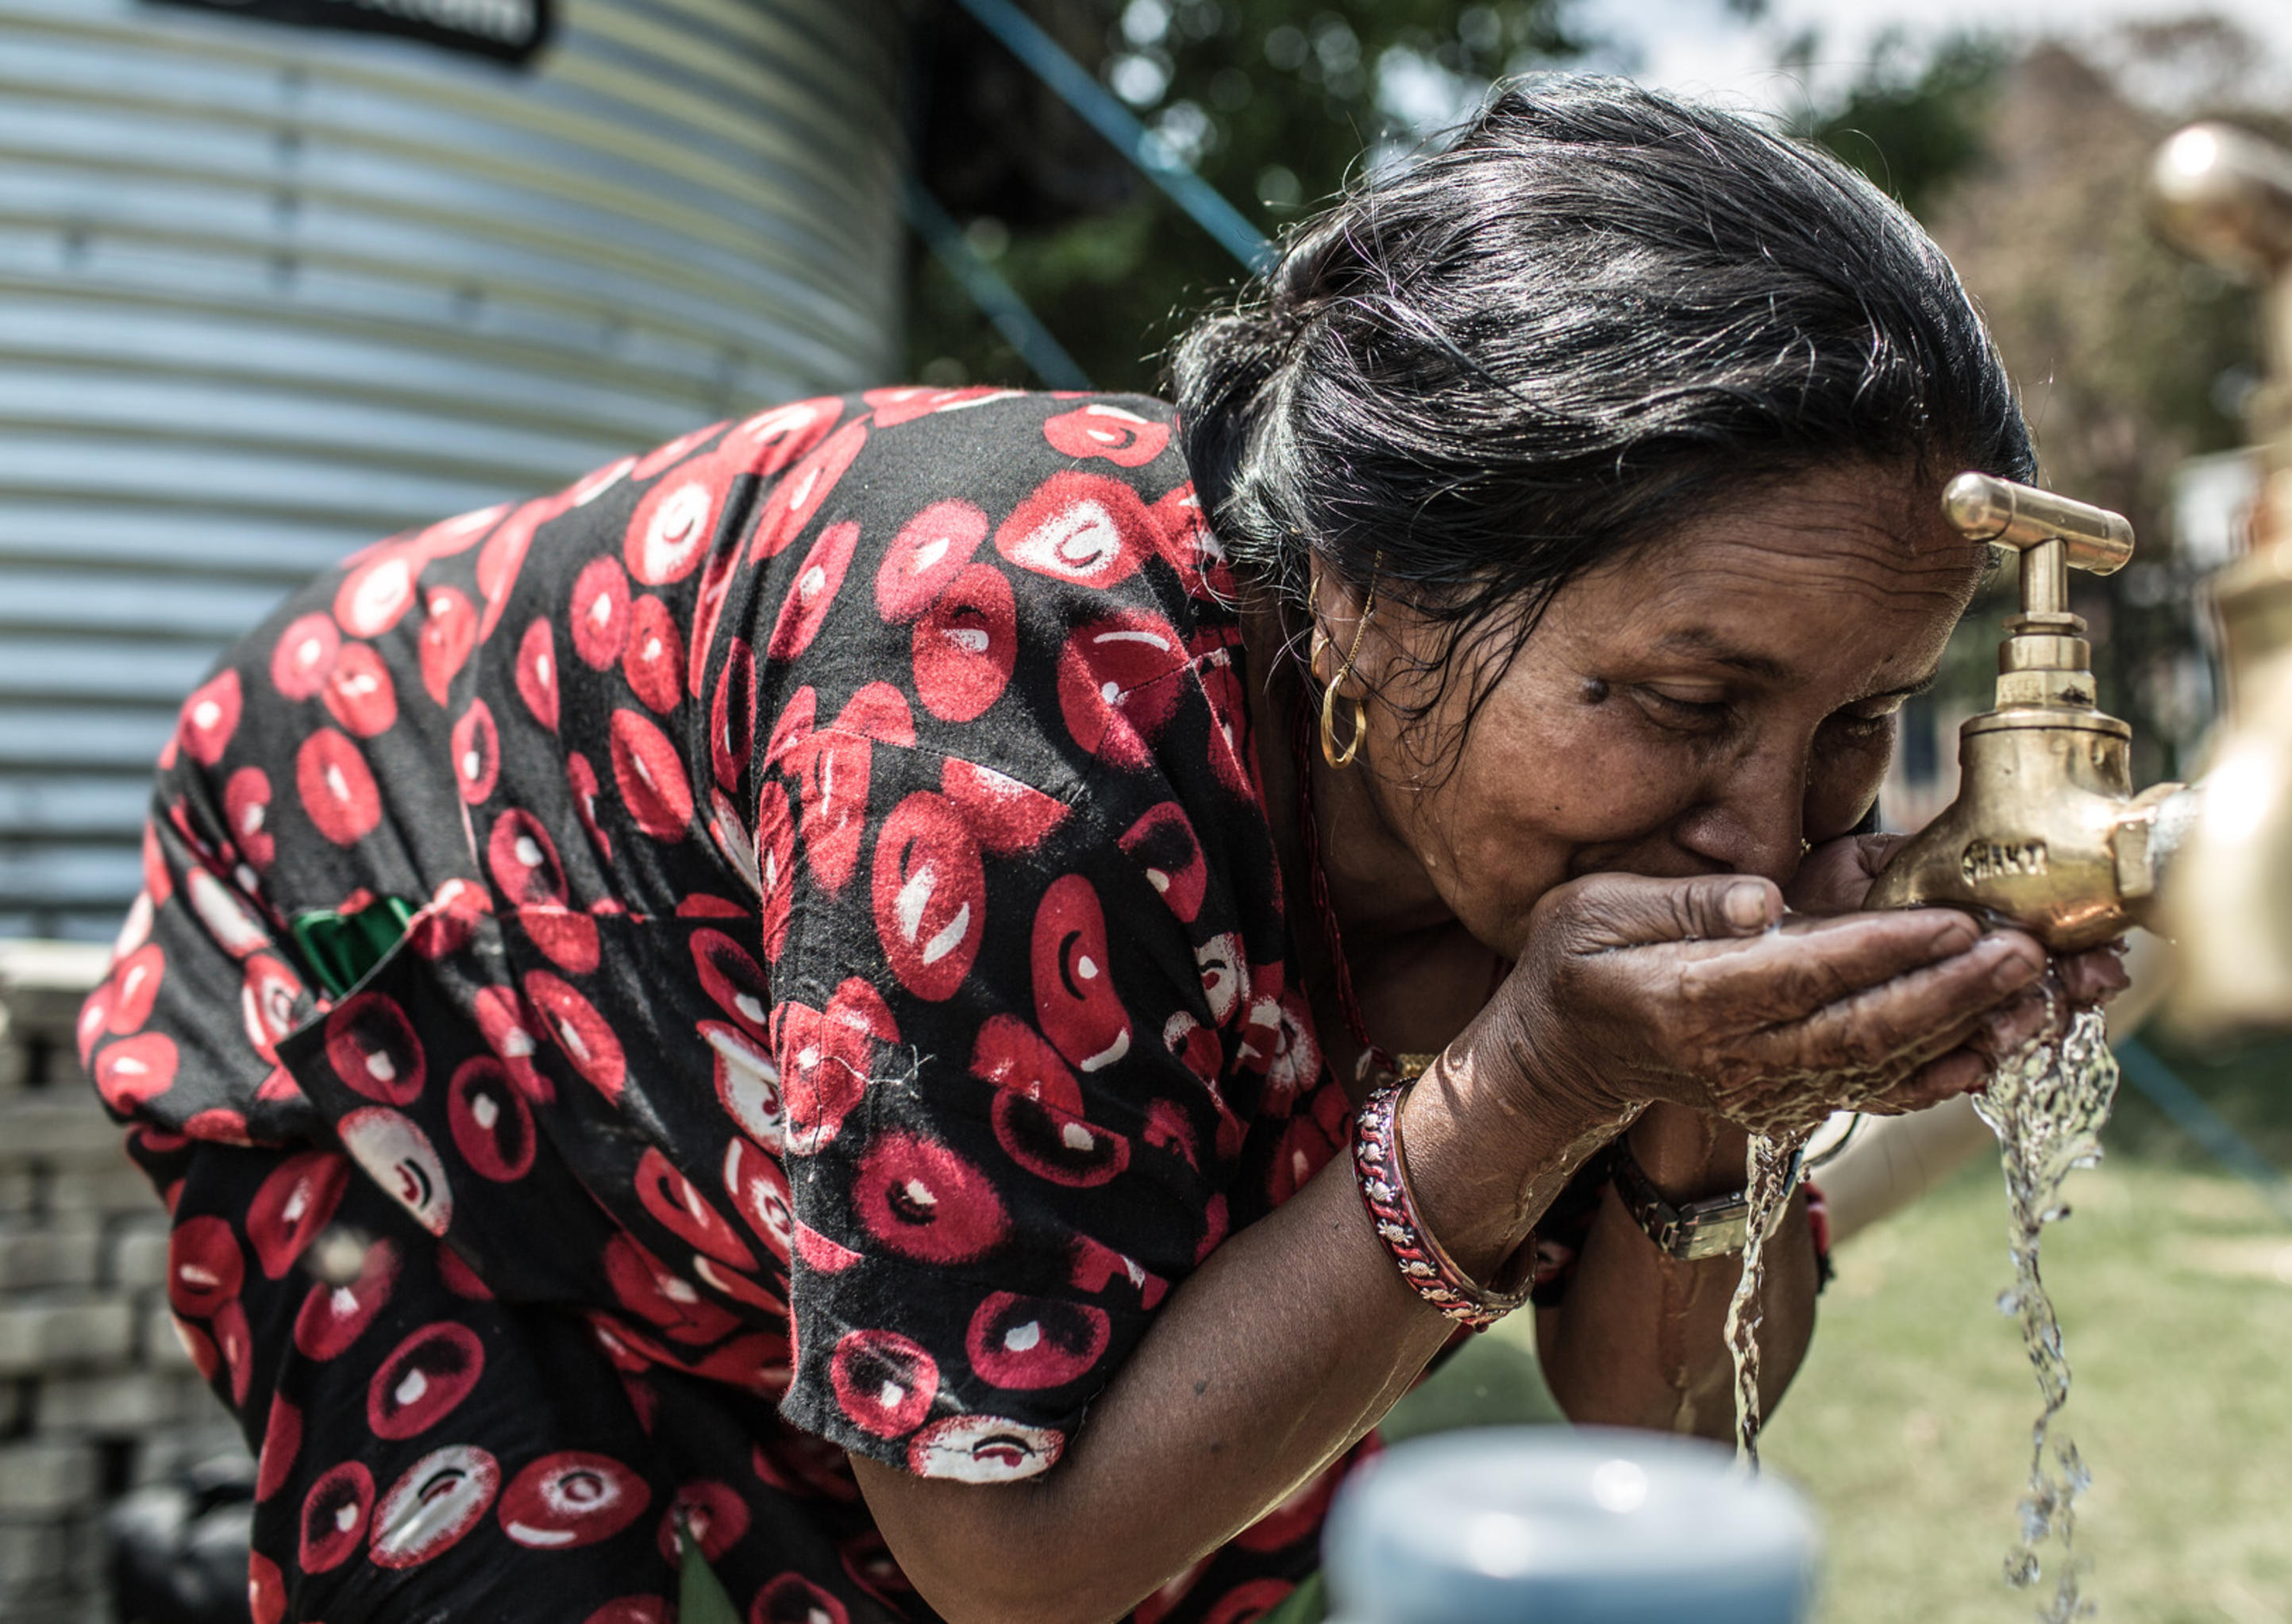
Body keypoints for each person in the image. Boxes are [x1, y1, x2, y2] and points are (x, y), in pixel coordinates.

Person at [84, 76, 2118, 1624]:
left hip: (802, 1084)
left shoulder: (1531, 809)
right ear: (1380, 588)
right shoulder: (992, 708)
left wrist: (1704, 1100)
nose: (1764, 834)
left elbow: (1661, 1431)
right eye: (1686, 705)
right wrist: (1538, 1082)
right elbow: (1013, 1550)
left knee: (1197, 1492)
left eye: (1855, 727)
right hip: (401, 1007)